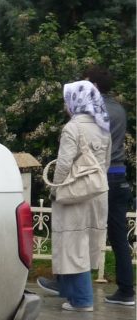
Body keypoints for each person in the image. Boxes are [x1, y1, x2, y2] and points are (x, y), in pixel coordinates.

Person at [37, 81, 111, 311]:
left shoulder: (72, 128)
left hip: (75, 193)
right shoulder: (103, 125)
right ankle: (70, 294)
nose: (65, 104)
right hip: (97, 192)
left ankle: (82, 300)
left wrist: (56, 189)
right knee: (86, 243)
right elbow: (105, 163)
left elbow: (63, 165)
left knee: (73, 244)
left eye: (67, 99)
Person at [85, 65, 135, 306]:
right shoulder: (119, 109)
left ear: (94, 85)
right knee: (118, 237)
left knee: (80, 228)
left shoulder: (93, 110)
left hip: (99, 174)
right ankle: (126, 290)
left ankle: (69, 282)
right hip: (119, 174)